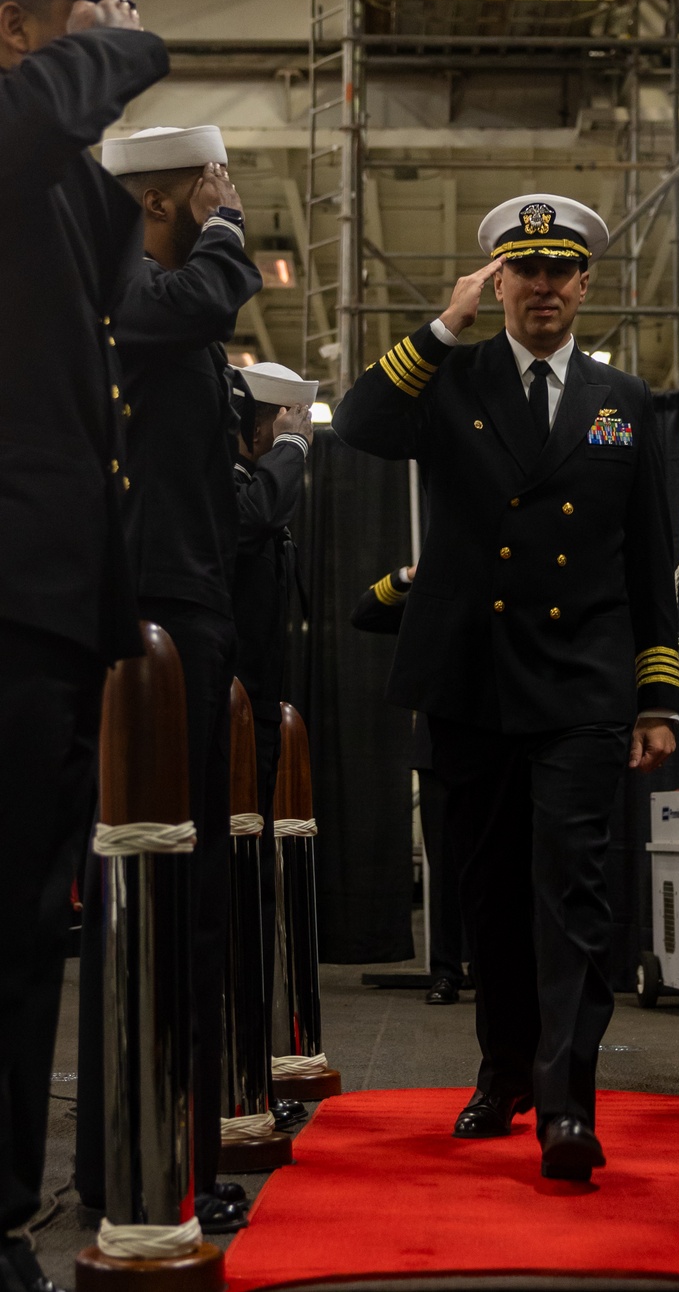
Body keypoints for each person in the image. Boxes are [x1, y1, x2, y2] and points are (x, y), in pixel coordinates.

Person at [333, 194, 679, 1182]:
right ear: (498, 283)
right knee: (484, 895)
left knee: (570, 891)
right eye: (522, 272)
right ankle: (502, 1072)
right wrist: (443, 326)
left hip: (580, 683)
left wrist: (654, 696)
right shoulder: (453, 379)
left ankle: (568, 1106)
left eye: (560, 271)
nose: (542, 288)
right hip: (469, 678)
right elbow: (358, 424)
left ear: (584, 283)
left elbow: (647, 555)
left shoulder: (623, 401)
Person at [0, 0, 168, 1292]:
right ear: (16, 22)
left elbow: (102, 292)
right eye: (80, 9)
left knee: (26, 928)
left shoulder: (49, 180)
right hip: (5, 602)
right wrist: (135, 46)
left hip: (48, 604)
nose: (101, 31)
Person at [75, 125, 262, 1232]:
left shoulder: (162, 298)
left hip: (189, 608)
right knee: (144, 900)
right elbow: (199, 304)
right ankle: (133, 1160)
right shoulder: (129, 285)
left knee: (181, 904)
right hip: (151, 618)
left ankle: (172, 1157)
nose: (229, 196)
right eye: (212, 185)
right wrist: (227, 229)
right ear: (169, 197)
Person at [233, 361, 315, 1119]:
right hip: (227, 716)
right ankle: (234, 1084)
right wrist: (288, 453)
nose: (292, 438)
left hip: (253, 714)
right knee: (234, 899)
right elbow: (251, 515)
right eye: (284, 424)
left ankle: (245, 1074)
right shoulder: (228, 480)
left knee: (251, 896)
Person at [351, 565, 466, 1004]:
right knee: (445, 867)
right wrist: (407, 575)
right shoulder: (431, 597)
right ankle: (446, 972)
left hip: (499, 741)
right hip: (438, 747)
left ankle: (503, 969)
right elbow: (365, 614)